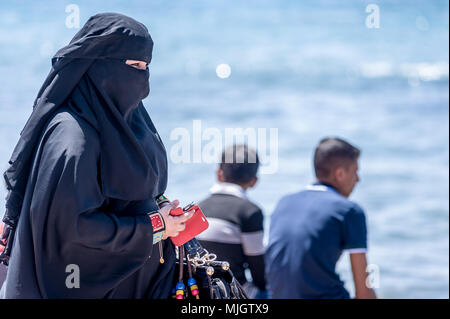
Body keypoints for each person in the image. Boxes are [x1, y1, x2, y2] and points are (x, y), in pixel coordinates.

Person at [0, 13, 193, 298]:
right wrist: (156, 226)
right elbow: (72, 231)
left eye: (146, 67)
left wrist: (161, 204)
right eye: (135, 66)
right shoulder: (72, 139)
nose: (144, 82)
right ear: (100, 68)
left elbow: (129, 189)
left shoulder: (126, 120)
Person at [265, 137, 377, 299]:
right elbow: (364, 291)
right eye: (355, 171)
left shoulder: (284, 202)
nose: (358, 179)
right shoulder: (349, 210)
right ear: (340, 174)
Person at [196, 144, 267, 298]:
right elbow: (259, 271)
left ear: (219, 173)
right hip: (232, 291)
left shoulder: (199, 208)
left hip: (201, 289)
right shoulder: (250, 212)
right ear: (254, 181)